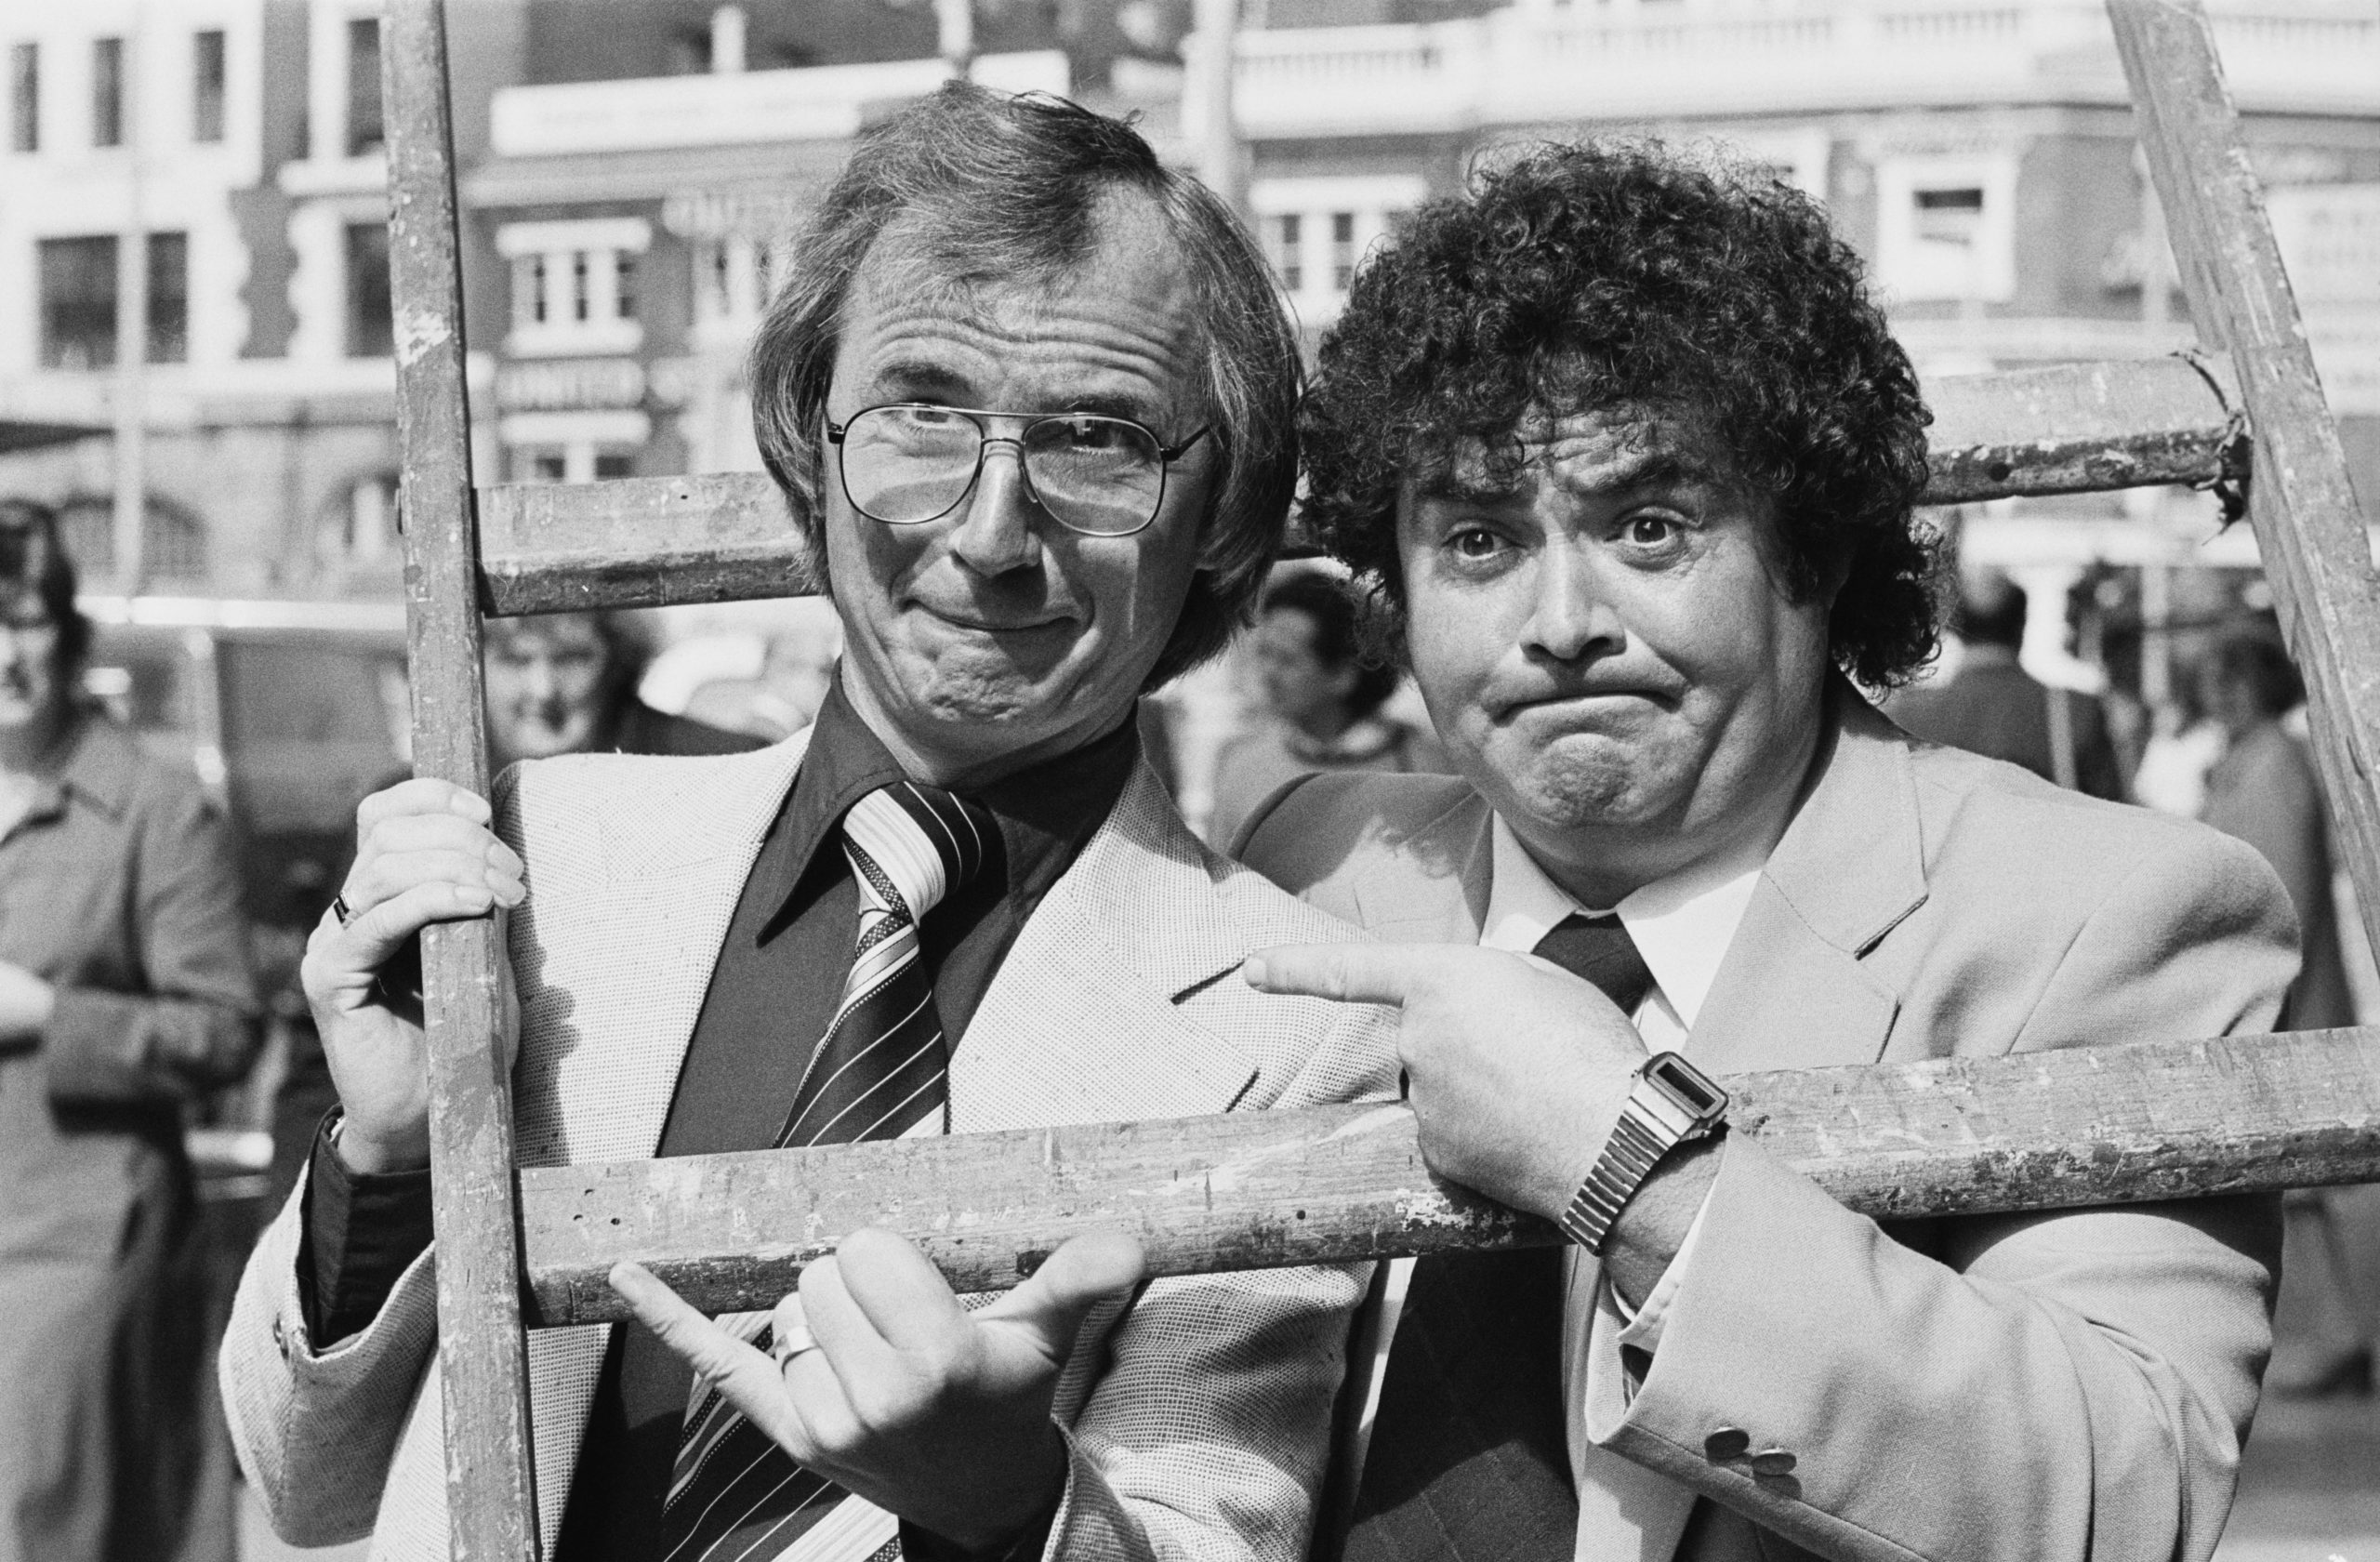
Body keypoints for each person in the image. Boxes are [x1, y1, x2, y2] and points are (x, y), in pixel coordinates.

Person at [221, 85, 1394, 1562]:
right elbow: (301, 1485)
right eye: (921, 417)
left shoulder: (1296, 1033)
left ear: (1222, 510)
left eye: (1097, 440)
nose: (987, 533)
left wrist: (1006, 1504)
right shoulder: (550, 862)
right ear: (804, 448)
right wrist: (386, 1159)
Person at [1231, 144, 2297, 1562]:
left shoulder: (2106, 915)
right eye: (1482, 540)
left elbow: (2119, 1494)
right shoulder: (1312, 866)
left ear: (1817, 551)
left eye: (1650, 526)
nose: (1562, 623)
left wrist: (1634, 1176)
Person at [265, 609, 763, 1210]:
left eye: (572, 659)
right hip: (471, 1184)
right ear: (469, 665)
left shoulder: (725, 774)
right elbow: (328, 1048)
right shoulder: (413, 809)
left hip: (684, 1168)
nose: (543, 691)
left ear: (618, 662)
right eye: (516, 660)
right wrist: (302, 1223)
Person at [0, 499, 261, 1562]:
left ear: (66, 632)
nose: (3, 654)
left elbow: (225, 1029)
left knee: (36, 1520)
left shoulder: (153, 809)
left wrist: (54, 1016)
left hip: (77, 1241)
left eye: (22, 620)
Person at [2197, 626, 2377, 1397]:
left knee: (2313, 1185)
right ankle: (2334, 1333)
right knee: (2304, 1188)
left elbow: (2280, 895)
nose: (2216, 694)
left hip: (2288, 997)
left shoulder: (2271, 765)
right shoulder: (2254, 759)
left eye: (2227, 679)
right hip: (2287, 994)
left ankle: (2341, 1335)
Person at [1206, 572, 1448, 846]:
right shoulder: (1241, 762)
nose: (1268, 673)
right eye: (1265, 652)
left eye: (1288, 660)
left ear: (1343, 676)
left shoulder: (1428, 766)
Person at [1887, 566, 2124, 800]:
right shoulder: (2075, 712)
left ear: (1951, 629)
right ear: (2021, 625)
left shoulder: (1904, 716)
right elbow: (2114, 816)